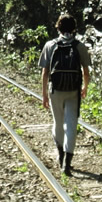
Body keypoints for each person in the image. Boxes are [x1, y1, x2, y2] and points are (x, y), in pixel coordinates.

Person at [38, 14, 90, 176]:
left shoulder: (50, 45)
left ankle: (60, 155)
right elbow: (86, 71)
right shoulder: (79, 46)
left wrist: (44, 94)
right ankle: (67, 163)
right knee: (71, 124)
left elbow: (45, 72)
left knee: (58, 122)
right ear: (74, 28)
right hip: (73, 90)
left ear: (58, 28)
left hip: (55, 90)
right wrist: (85, 87)